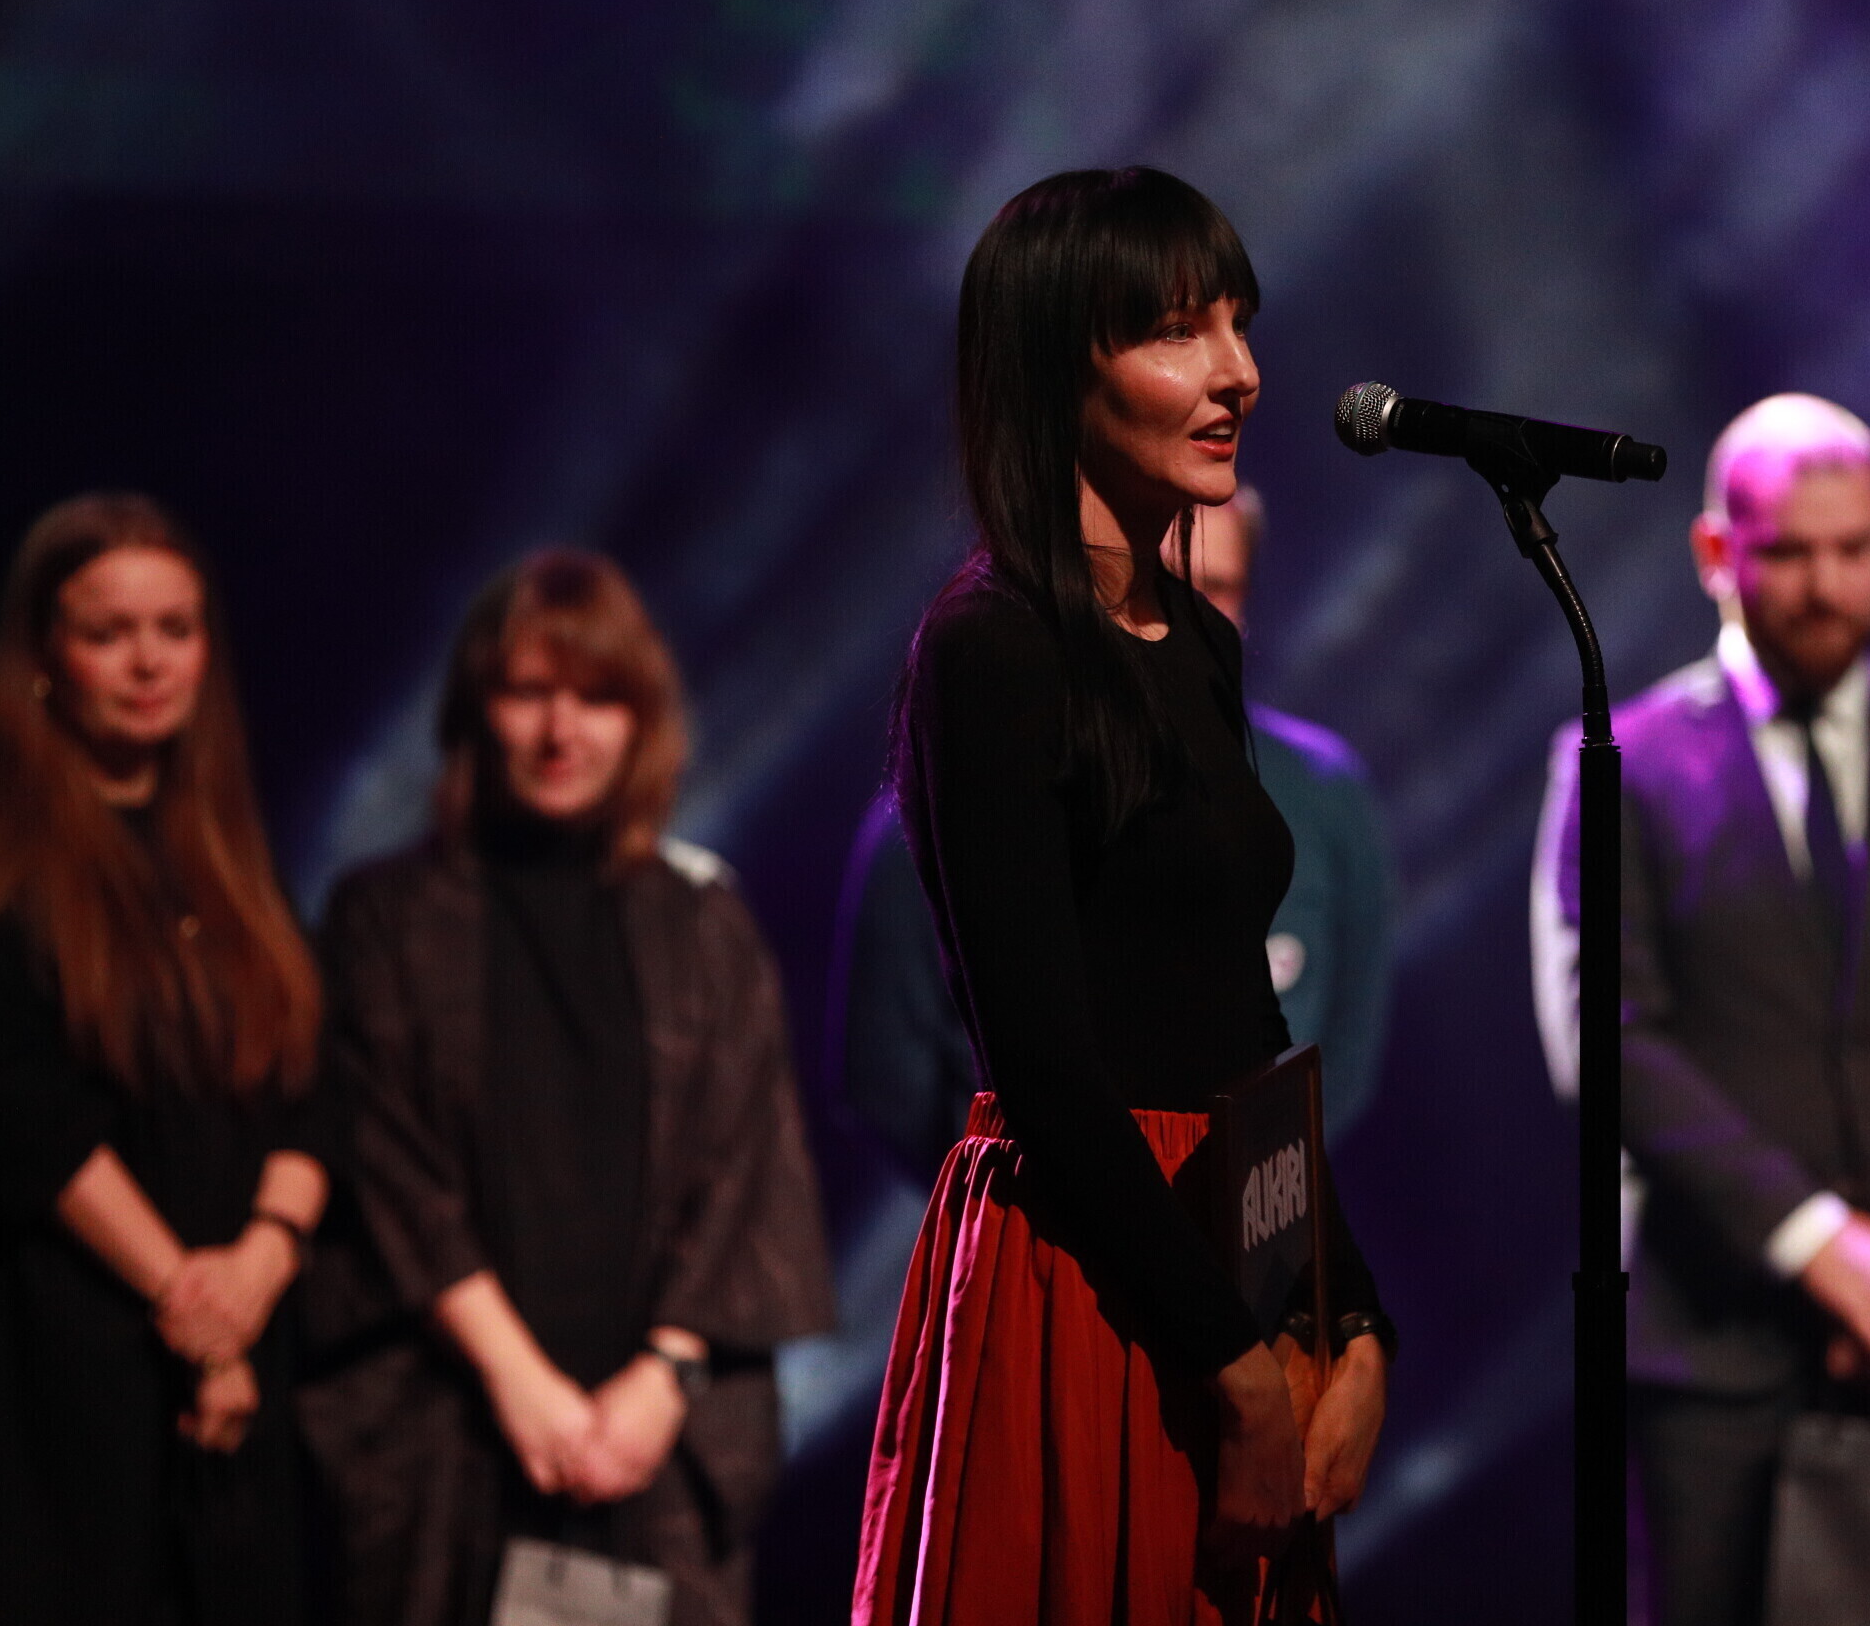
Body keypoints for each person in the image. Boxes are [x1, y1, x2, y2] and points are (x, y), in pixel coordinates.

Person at [851, 166, 1396, 1626]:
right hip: (1091, 1266)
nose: (1240, 372)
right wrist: (1233, 1365)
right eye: (1177, 330)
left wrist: (1346, 1314)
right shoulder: (991, 647)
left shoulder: (1198, 647)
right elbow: (1045, 1069)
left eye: (1238, 322)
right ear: (1055, 369)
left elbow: (1245, 1031)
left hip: (1233, 1250)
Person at [1531, 395, 1870, 1625]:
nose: (1827, 587)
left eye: (1855, 550)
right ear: (1716, 552)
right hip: (1718, 1350)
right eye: (1790, 553)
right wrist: (1817, 1244)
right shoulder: (1621, 763)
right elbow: (1608, 1036)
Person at [297, 550, 835, 1626]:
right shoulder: (387, 919)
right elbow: (388, 1167)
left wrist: (661, 1378)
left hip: (654, 1448)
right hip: (451, 1436)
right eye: (528, 692)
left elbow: (746, 1169)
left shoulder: (703, 927)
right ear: (475, 710)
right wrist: (522, 1385)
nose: (560, 731)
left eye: (595, 697)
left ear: (641, 720)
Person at [0, 492, 331, 1626]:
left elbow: (312, 1091)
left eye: (175, 629)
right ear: (44, 655)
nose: (148, 663)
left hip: (228, 1376)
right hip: (50, 1384)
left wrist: (260, 1265)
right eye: (108, 633)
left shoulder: (229, 857)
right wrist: (192, 1305)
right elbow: (22, 1123)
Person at [835, 483, 1400, 1183]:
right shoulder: (942, 802)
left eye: (1213, 588)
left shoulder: (1325, 795)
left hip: (1246, 1233)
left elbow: (1345, 1056)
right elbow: (886, 1077)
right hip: (1026, 1229)